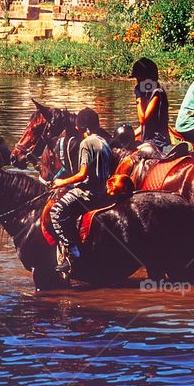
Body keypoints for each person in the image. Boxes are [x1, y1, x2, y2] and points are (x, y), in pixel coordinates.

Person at [48, 108, 112, 273]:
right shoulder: (104, 142)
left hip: (88, 193)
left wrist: (62, 181)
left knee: (56, 211)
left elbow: (83, 175)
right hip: (103, 191)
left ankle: (72, 254)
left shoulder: (86, 143)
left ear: (81, 127)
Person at [130, 57, 170, 148]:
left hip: (157, 141)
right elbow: (144, 126)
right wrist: (130, 135)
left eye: (139, 80)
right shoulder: (147, 94)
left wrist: (139, 99)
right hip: (148, 140)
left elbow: (143, 120)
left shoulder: (156, 93)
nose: (138, 84)